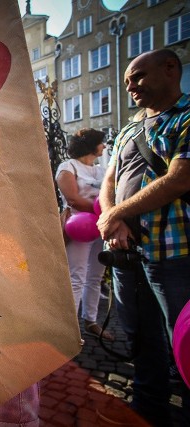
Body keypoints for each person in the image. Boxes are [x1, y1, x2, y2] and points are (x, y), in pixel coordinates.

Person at [97, 48, 190, 425]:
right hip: (126, 253)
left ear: (170, 69)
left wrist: (117, 212)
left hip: (173, 254)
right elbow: (109, 182)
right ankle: (149, 408)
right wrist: (111, 219)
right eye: (127, 82)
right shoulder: (128, 130)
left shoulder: (186, 117)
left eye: (137, 76)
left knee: (182, 343)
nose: (131, 86)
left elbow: (180, 178)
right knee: (140, 337)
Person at [56, 128, 113, 341]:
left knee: (96, 276)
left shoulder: (102, 170)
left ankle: (91, 321)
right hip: (77, 226)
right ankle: (68, 328)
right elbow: (73, 199)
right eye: (102, 142)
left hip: (99, 226)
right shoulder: (68, 167)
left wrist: (106, 214)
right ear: (91, 144)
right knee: (76, 276)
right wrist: (104, 210)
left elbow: (111, 194)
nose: (105, 146)